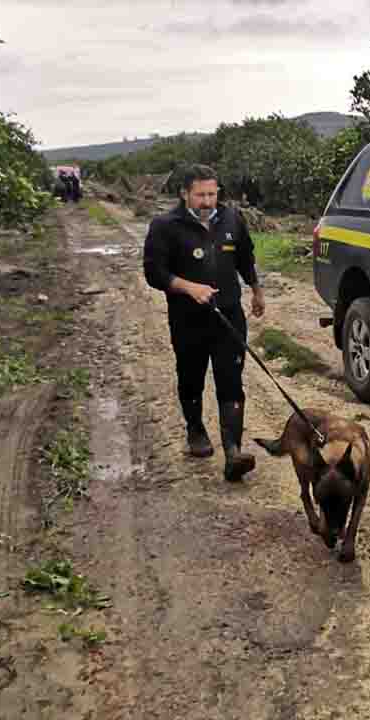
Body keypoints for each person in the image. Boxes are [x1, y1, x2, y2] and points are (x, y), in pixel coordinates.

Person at [141, 163, 266, 482]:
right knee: (191, 377)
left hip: (228, 316)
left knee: (231, 379)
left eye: (212, 193)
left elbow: (245, 258)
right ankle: (195, 429)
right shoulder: (165, 226)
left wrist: (256, 291)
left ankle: (233, 452)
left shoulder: (232, 219)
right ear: (185, 194)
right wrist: (188, 287)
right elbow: (154, 273)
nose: (208, 201)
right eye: (201, 195)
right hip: (188, 319)